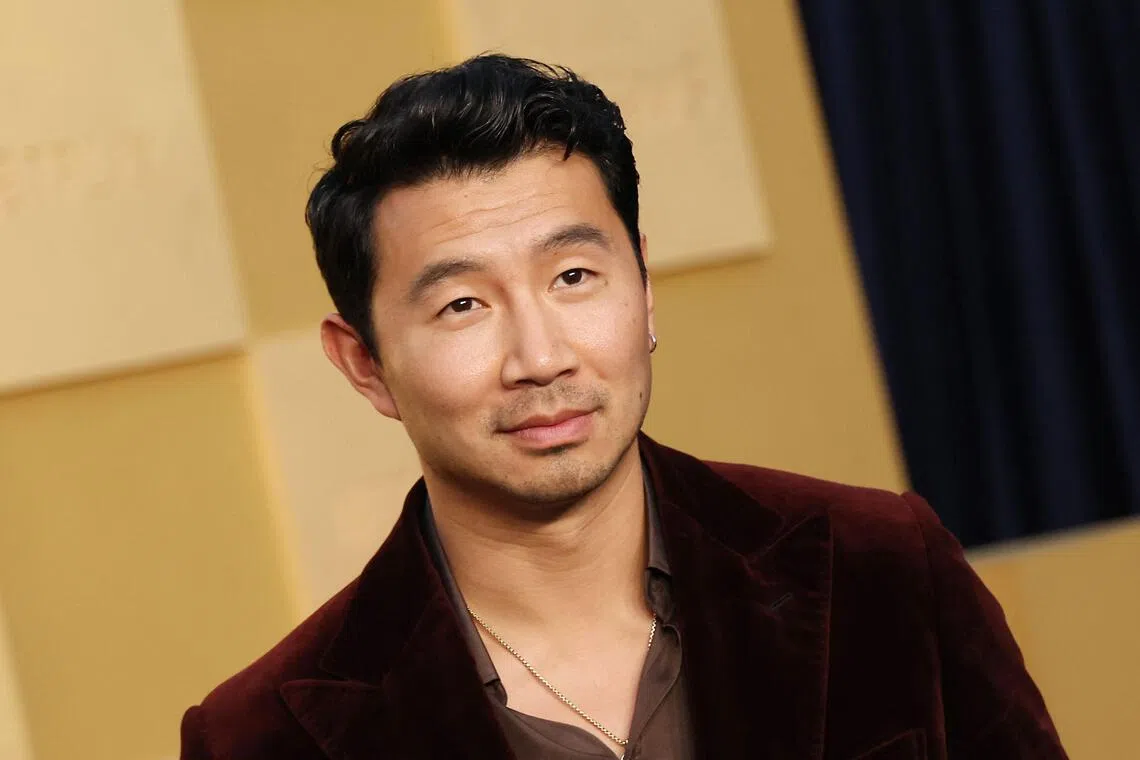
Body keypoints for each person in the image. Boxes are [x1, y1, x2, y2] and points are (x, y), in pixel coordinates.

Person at [180, 55, 1067, 759]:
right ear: (364, 363)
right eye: (463, 305)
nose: (540, 357)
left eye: (574, 277)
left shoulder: (883, 568)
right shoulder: (262, 737)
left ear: (644, 288)